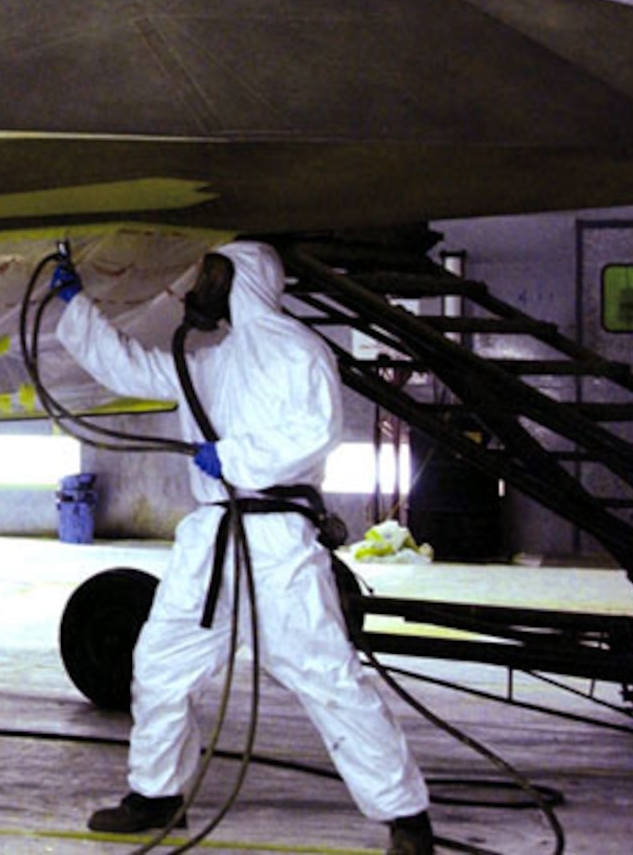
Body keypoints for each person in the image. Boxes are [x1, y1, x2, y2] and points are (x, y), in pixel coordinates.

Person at [51, 239, 434, 855]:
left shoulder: (297, 351)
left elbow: (314, 433)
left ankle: (406, 817)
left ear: (245, 281)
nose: (199, 288)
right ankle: (156, 795)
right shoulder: (210, 361)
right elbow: (131, 368)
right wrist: (77, 306)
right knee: (161, 663)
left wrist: (231, 457)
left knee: (326, 677)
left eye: (211, 275)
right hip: (212, 540)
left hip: (277, 541)